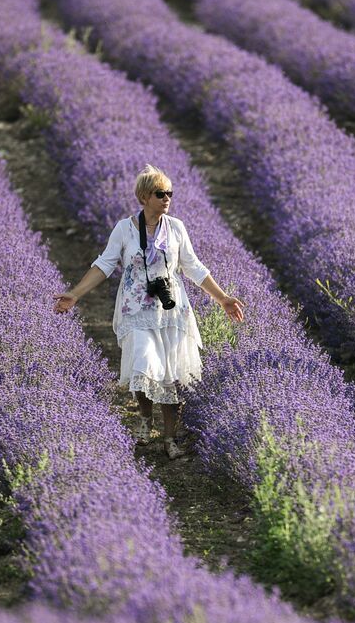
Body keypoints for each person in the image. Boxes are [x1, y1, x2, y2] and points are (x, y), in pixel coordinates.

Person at [54, 165, 245, 459]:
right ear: (144, 196)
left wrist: (223, 299)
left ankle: (170, 438)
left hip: (171, 310)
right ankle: (144, 418)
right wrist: (75, 294)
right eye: (160, 193)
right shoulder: (125, 228)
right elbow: (104, 264)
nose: (166, 198)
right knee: (143, 365)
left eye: (169, 193)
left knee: (172, 372)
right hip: (135, 308)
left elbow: (193, 267)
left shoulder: (176, 228)